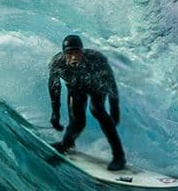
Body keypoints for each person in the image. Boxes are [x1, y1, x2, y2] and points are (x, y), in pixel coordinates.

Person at [48, 33, 126, 171]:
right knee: (77, 122)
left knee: (97, 110)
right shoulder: (57, 63)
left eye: (76, 52)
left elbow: (111, 84)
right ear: (64, 54)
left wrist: (115, 110)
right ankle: (66, 144)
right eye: (69, 53)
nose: (73, 57)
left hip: (97, 88)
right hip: (76, 89)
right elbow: (54, 88)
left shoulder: (96, 60)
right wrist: (55, 113)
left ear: (82, 52)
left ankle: (119, 156)